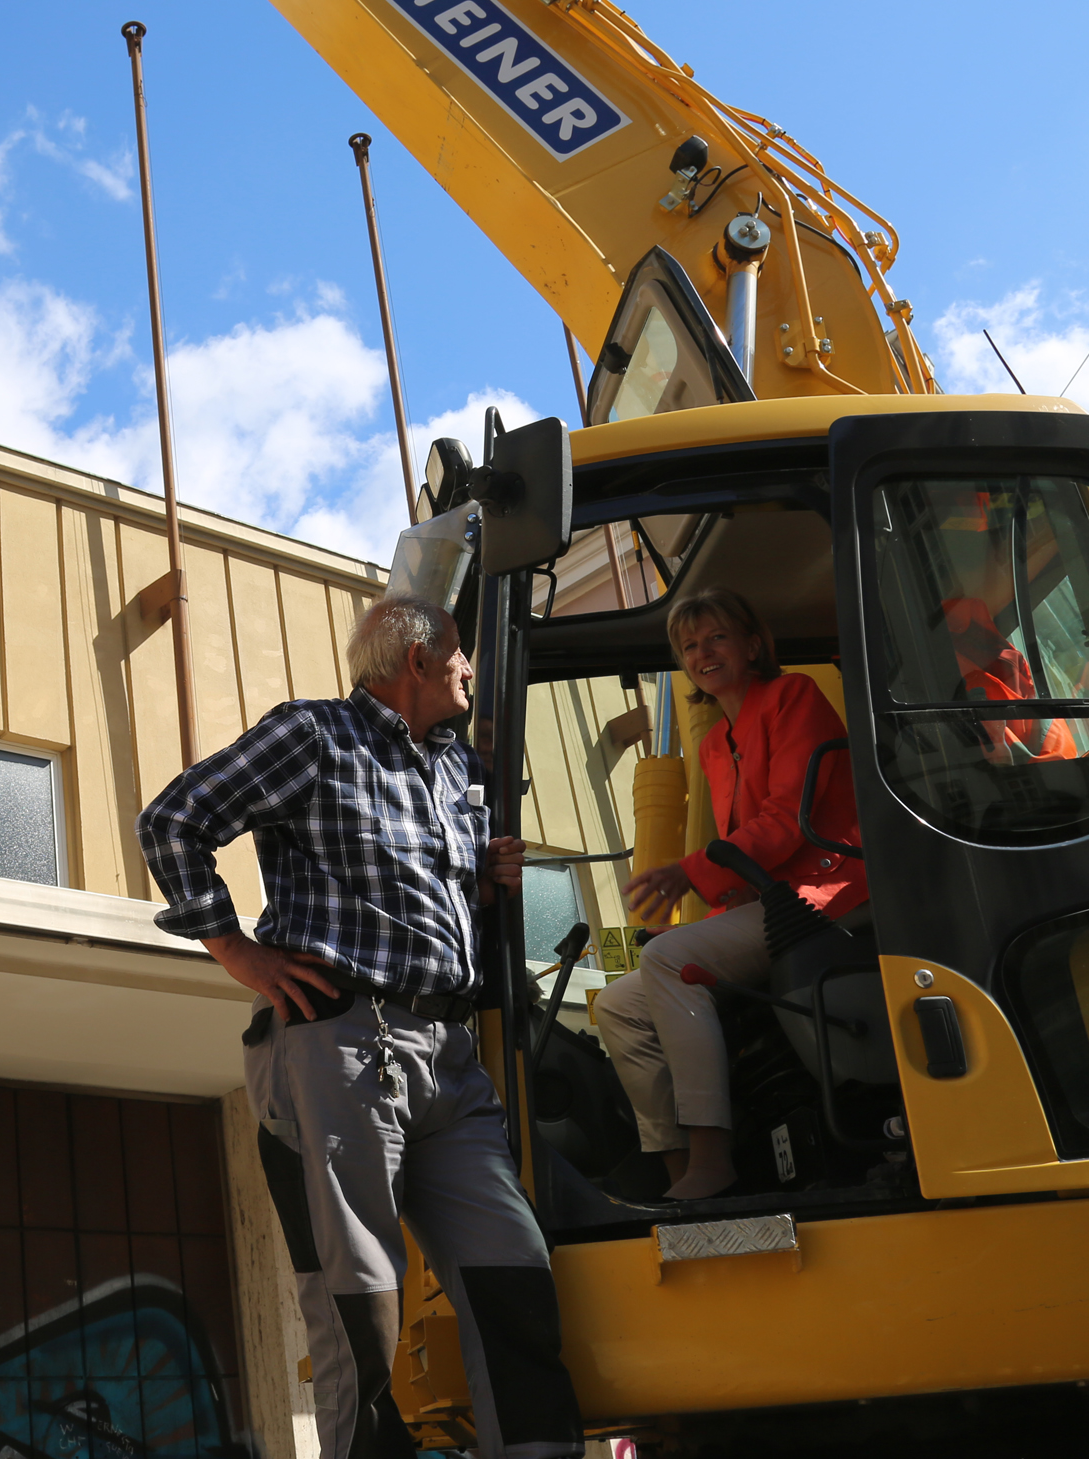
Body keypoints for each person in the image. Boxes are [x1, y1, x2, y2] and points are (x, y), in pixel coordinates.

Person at [138, 595, 586, 1459]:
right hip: (341, 1044)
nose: (468, 670)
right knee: (362, 1306)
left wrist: (486, 882)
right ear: (415, 659)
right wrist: (239, 952)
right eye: (458, 654)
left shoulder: (455, 769)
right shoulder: (313, 736)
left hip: (448, 1056)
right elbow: (172, 821)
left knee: (515, 1276)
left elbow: (434, 897)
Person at [598, 587, 869, 1200]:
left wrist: (687, 875)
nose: (702, 652)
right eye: (689, 645)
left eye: (716, 637)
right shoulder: (716, 745)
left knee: (667, 962)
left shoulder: (793, 697)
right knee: (619, 1004)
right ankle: (676, 1178)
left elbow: (782, 822)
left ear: (752, 644)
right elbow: (742, 861)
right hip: (771, 905)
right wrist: (707, 911)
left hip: (823, 898)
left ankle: (712, 1160)